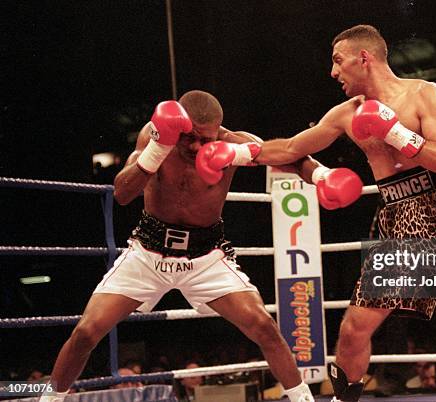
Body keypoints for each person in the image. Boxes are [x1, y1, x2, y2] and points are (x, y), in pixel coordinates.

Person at [196, 25, 436, 402]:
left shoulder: (423, 94)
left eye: (338, 61)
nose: (333, 72)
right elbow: (288, 150)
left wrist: (394, 131)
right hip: (397, 215)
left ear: (363, 58)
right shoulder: (347, 113)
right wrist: (230, 144)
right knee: (354, 328)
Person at [40, 90, 364, 402]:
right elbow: (123, 193)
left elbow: (291, 157)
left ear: (217, 132)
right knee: (85, 332)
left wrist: (322, 175)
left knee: (264, 327)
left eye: (205, 139)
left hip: (205, 256)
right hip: (148, 251)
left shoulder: (233, 143)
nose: (196, 146)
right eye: (189, 136)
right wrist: (157, 149)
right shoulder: (155, 135)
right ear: (177, 124)